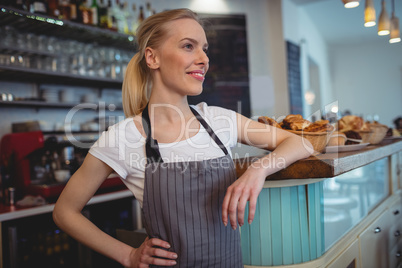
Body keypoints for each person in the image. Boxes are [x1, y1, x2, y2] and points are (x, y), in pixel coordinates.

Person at [53, 8, 313, 268]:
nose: (203, 59)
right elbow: (64, 212)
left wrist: (258, 170)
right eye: (188, 46)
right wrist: (128, 255)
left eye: (205, 49)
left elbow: (302, 142)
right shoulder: (123, 138)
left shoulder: (220, 120)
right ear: (152, 58)